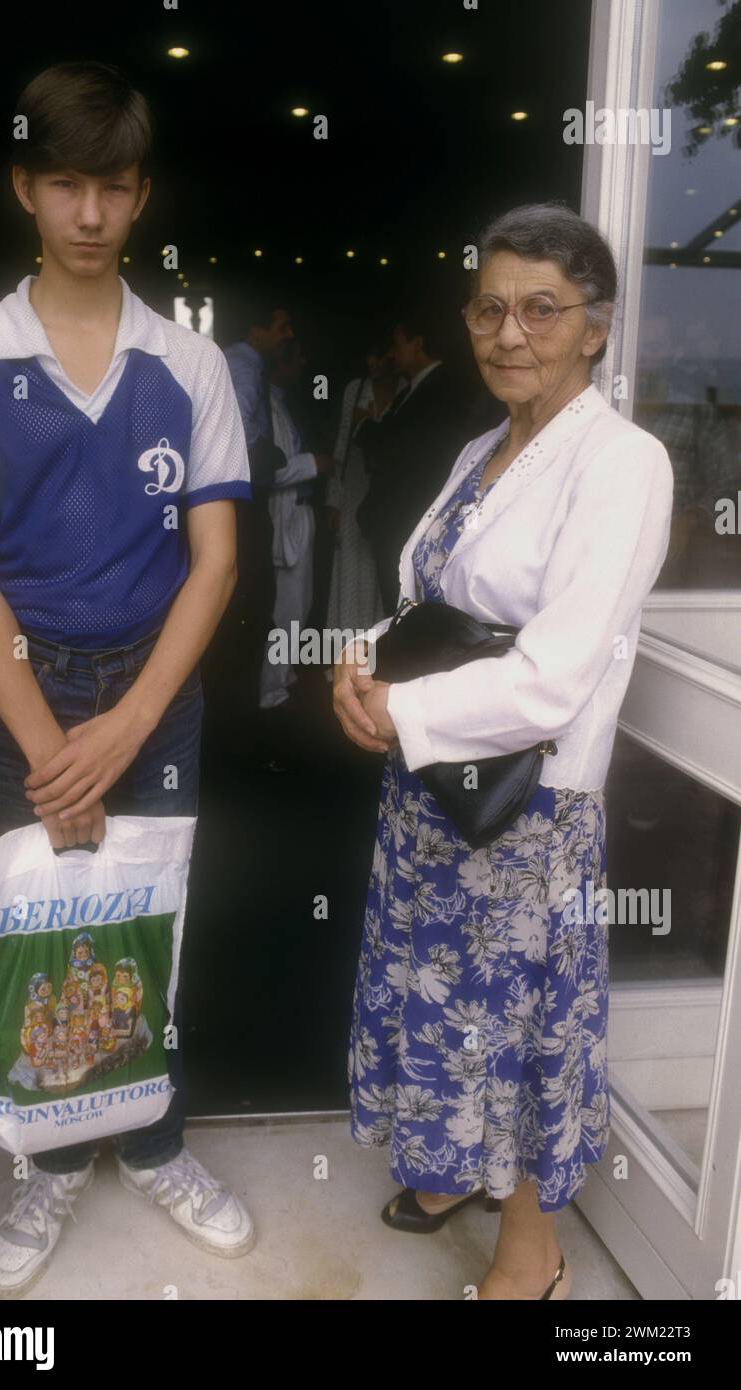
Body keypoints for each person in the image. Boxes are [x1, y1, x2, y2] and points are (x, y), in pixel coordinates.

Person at [0, 60, 255, 1298]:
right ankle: (52, 1163)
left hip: (151, 688)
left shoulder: (190, 364)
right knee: (39, 932)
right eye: (65, 185)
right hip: (19, 686)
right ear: (25, 188)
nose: (91, 214)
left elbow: (213, 564)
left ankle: (158, 1143)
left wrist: (127, 723)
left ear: (142, 194)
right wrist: (52, 746)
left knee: (147, 920)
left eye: (113, 187)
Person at [333, 202, 674, 1301]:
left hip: (526, 820)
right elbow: (424, 600)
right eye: (489, 307)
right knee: (433, 1013)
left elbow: (556, 675)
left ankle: (531, 1255)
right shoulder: (485, 447)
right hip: (436, 792)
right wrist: (361, 658)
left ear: (594, 329)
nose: (508, 332)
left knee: (521, 1043)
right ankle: (444, 1173)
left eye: (541, 308)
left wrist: (400, 711)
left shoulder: (622, 464)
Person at [353, 303, 474, 611]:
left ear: (417, 344)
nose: (392, 353)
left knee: (404, 615)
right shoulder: (413, 390)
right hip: (399, 525)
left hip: (409, 522)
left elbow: (398, 449)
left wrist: (364, 425)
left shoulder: (439, 390)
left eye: (397, 343)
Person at [223, 293, 295, 721]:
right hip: (242, 506)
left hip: (249, 505)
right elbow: (238, 441)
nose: (287, 335)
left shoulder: (252, 367)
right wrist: (275, 458)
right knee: (249, 605)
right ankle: (242, 718)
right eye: (281, 325)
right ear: (256, 330)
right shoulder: (242, 367)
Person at [258, 339, 333, 716]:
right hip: (284, 514)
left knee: (297, 608)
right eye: (296, 352)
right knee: (285, 610)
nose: (302, 360)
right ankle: (271, 693)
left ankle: (281, 678)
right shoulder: (262, 406)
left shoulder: (280, 402)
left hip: (300, 514)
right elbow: (266, 469)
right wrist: (313, 465)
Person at [324, 336, 401, 657]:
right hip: (356, 485)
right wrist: (333, 499)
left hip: (389, 490)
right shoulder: (355, 389)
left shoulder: (405, 389)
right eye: (369, 357)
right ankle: (347, 653)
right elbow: (341, 445)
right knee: (352, 567)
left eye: (379, 356)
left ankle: (381, 653)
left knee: (383, 565)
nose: (373, 363)